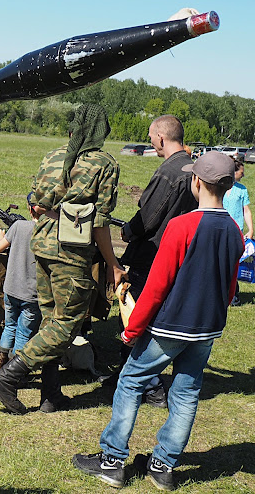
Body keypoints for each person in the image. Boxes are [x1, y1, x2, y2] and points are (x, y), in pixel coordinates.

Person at [73, 151, 244, 491]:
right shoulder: (234, 230)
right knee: (186, 393)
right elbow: (230, 285)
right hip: (206, 329)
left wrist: (132, 328)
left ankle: (112, 461)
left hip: (171, 326)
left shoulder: (182, 226)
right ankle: (163, 466)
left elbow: (157, 285)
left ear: (197, 182)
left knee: (131, 381)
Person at [0, 104, 126, 415]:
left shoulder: (52, 155)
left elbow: (34, 204)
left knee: (48, 322)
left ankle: (50, 394)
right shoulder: (105, 164)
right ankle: (8, 377)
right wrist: (113, 265)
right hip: (70, 252)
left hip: (42, 244)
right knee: (66, 324)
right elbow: (99, 223)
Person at [118, 115, 197, 407]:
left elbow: (147, 219)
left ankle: (148, 386)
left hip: (151, 256)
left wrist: (127, 231)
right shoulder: (192, 169)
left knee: (134, 316)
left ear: (161, 138)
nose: (151, 141)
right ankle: (132, 377)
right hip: (177, 257)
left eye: (151, 136)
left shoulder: (169, 171)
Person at [0, 192, 42, 375]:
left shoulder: (19, 226)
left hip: (11, 289)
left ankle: (1, 370)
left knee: (10, 327)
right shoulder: (49, 232)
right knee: (23, 333)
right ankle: (13, 376)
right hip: (32, 295)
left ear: (30, 209)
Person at [223, 158, 252, 306]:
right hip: (220, 231)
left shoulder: (242, 190)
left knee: (233, 265)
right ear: (233, 172)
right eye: (242, 172)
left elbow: (246, 210)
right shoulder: (219, 187)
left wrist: (251, 230)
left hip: (236, 232)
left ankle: (234, 297)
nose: (243, 174)